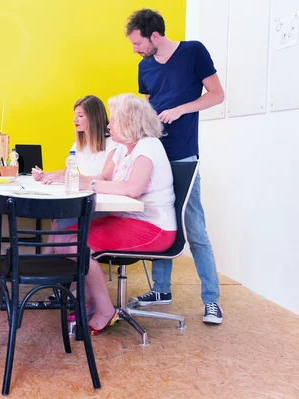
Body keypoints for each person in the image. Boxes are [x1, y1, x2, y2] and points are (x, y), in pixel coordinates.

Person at [126, 9, 225, 324]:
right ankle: (161, 289)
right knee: (159, 218)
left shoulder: (193, 52)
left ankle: (211, 301)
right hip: (153, 154)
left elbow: (217, 95)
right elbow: (146, 108)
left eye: (138, 42)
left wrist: (181, 109)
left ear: (154, 36)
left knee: (194, 228)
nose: (135, 50)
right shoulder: (145, 66)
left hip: (183, 153)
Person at [54, 93, 177, 335]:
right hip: (126, 220)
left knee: (76, 245)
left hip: (154, 229)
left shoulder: (148, 146)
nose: (108, 126)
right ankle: (85, 301)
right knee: (62, 238)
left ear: (130, 123)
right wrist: (65, 178)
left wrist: (88, 186)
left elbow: (132, 189)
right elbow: (101, 178)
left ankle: (104, 310)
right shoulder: (122, 149)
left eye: (114, 121)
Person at [32, 95, 116, 238]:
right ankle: (49, 256)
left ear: (93, 117)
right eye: (75, 115)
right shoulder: (79, 145)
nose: (74, 120)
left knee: (60, 220)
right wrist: (46, 175)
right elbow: (68, 170)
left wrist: (66, 179)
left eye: (80, 115)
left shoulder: (113, 144)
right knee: (58, 218)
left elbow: (105, 177)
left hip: (103, 204)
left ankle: (49, 256)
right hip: (85, 199)